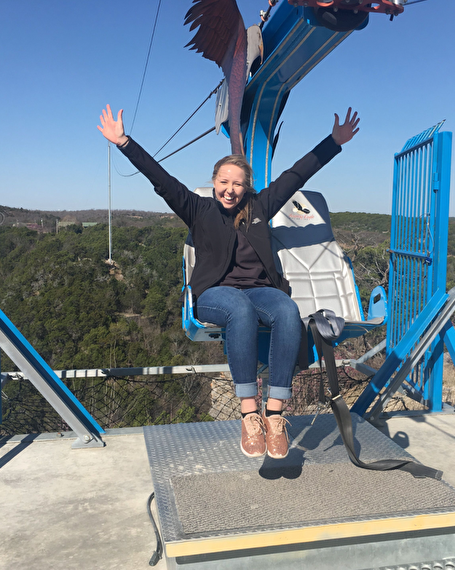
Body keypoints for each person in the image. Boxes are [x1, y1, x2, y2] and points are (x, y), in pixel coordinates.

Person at [98, 104, 360, 459]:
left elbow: (295, 175)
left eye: (237, 184)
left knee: (286, 310)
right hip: (215, 294)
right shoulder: (198, 209)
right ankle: (249, 412)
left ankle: (275, 414)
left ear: (247, 187)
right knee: (238, 307)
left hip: (261, 291)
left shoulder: (260, 207)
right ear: (214, 182)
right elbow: (160, 178)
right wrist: (124, 142)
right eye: (224, 182)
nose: (230, 190)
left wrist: (334, 142)